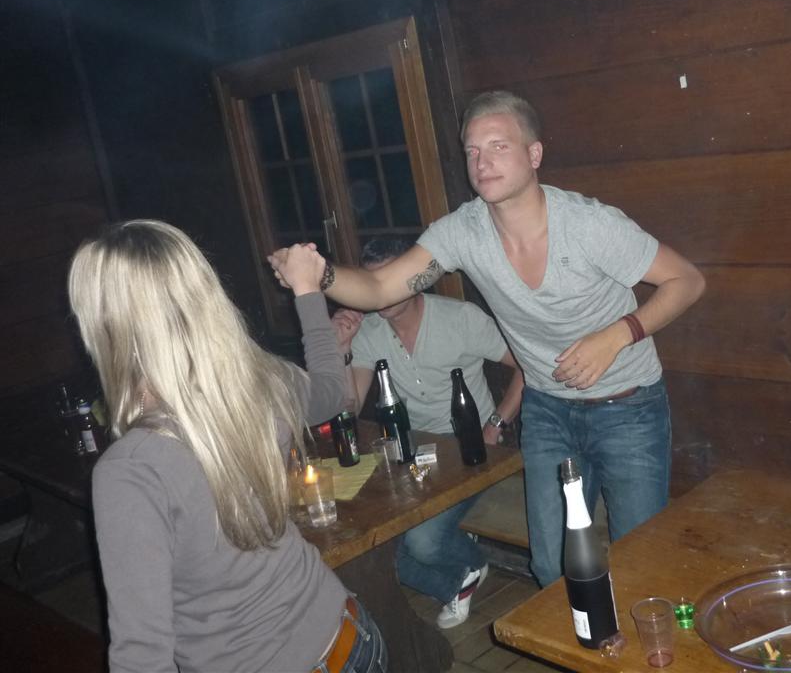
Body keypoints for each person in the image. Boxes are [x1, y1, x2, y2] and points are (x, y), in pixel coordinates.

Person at [271, 91, 705, 587]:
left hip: (628, 408)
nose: (482, 162)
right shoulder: (463, 231)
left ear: (534, 154)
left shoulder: (590, 225)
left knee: (641, 560)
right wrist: (318, 273)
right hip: (549, 412)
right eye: (473, 151)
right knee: (552, 566)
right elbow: (379, 287)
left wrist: (615, 336)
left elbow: (687, 281)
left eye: (499, 146)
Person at [69, 220, 387, 673]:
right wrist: (306, 290)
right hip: (353, 639)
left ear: (103, 327)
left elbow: (142, 659)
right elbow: (332, 393)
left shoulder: (130, 470)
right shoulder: (264, 380)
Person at [331, 236, 524, 628]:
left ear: (413, 278)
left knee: (421, 542)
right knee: (367, 542)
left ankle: (463, 565)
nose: (381, 291)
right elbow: (349, 407)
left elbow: (527, 366)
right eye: (373, 282)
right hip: (415, 457)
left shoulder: (461, 318)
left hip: (473, 451)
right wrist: (341, 349)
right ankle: (460, 575)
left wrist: (496, 424)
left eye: (389, 278)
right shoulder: (369, 331)